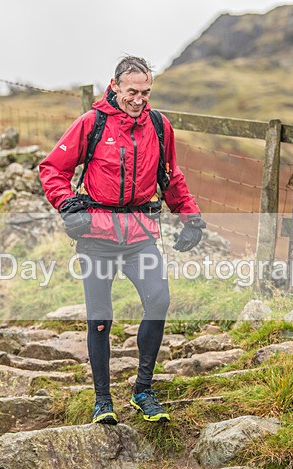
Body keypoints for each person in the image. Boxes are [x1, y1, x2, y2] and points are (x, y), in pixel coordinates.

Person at [39, 56, 205, 425]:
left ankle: (143, 391)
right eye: (132, 91)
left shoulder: (159, 125)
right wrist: (67, 204)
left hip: (140, 235)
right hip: (96, 237)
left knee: (159, 300)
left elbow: (170, 176)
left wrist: (190, 217)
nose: (139, 99)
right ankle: (103, 400)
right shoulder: (92, 123)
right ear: (114, 86)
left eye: (146, 92)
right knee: (100, 318)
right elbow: (52, 169)